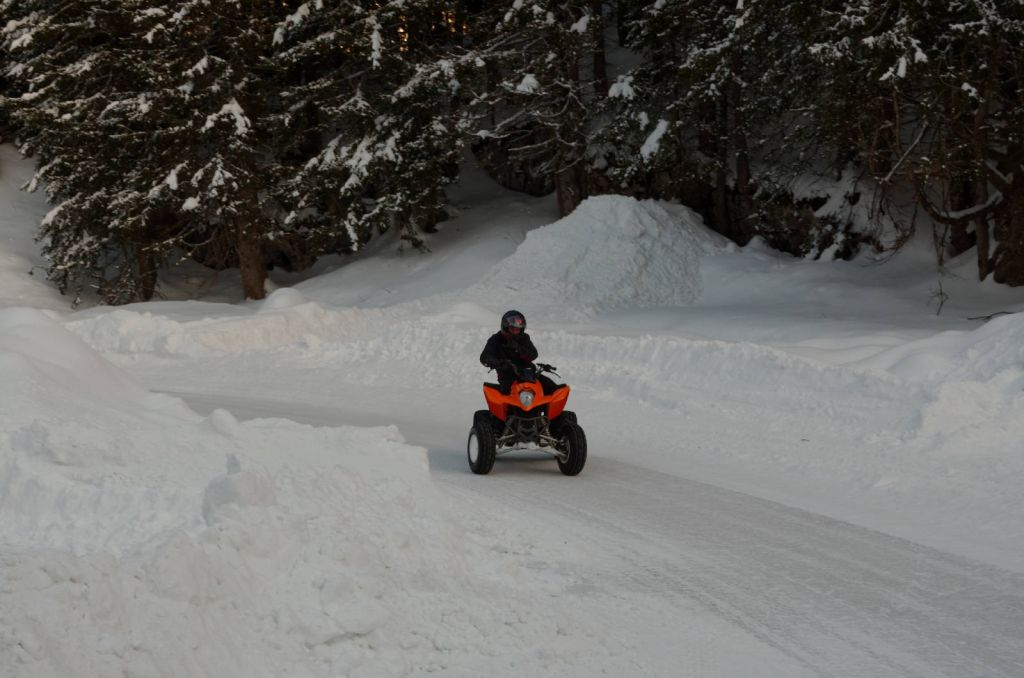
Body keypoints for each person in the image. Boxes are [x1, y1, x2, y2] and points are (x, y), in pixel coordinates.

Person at [480, 310, 557, 394]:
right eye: (513, 329)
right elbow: (485, 357)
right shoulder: (495, 340)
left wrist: (519, 349)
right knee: (512, 399)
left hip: (529, 375)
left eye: (518, 329)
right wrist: (499, 362)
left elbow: (533, 354)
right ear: (505, 327)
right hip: (508, 377)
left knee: (553, 389)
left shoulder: (524, 338)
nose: (516, 332)